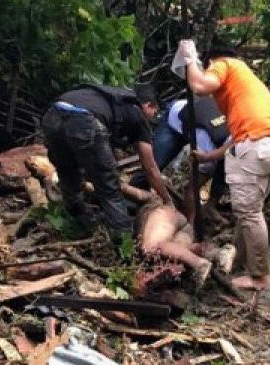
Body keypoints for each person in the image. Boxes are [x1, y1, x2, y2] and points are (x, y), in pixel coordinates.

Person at [175, 41, 270, 291]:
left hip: (258, 148)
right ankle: (239, 263)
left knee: (248, 213)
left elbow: (200, 86)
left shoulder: (223, 64)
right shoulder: (245, 84)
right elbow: (236, 137)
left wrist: (190, 58)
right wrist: (210, 156)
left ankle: (260, 277)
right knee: (249, 212)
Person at [42, 83, 171, 239]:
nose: (153, 117)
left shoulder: (110, 96)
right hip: (84, 120)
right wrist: (167, 199)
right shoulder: (137, 114)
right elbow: (150, 168)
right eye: (155, 112)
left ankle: (76, 222)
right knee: (109, 187)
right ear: (148, 105)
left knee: (67, 171)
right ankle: (123, 242)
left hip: (53, 115)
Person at [129, 95, 231, 216]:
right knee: (153, 165)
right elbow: (191, 190)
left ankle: (211, 206)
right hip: (175, 120)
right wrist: (191, 226)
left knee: (226, 171)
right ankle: (131, 198)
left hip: (197, 124)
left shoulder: (238, 136)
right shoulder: (207, 150)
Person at [136, 200, 213, 287]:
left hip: (162, 215)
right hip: (182, 228)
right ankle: (217, 254)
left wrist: (167, 198)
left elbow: (141, 195)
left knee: (152, 247)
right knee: (174, 259)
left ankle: (200, 264)